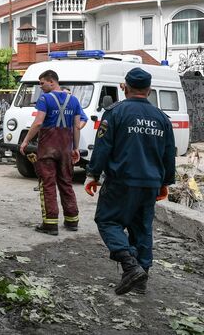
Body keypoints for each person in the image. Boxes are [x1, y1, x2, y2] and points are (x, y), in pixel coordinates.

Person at [85, 67, 175, 295]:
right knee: (142, 228)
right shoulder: (162, 118)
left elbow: (103, 147)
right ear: (150, 90)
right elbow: (168, 154)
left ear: (124, 88)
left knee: (107, 221)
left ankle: (130, 266)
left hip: (122, 181)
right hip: (150, 183)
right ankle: (140, 280)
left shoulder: (115, 113)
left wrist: (93, 174)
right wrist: (165, 182)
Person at [19, 70, 83, 235]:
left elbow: (38, 122)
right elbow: (76, 126)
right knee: (66, 183)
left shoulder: (44, 99)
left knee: (47, 184)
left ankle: (50, 224)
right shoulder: (74, 100)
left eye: (42, 83)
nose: (41, 87)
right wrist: (75, 148)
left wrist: (26, 141)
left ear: (51, 81)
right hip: (65, 148)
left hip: (48, 148)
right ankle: (72, 220)